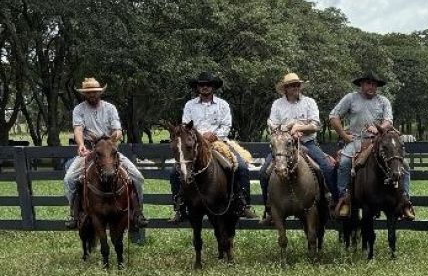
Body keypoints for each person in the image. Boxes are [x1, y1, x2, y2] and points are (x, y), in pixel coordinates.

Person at [168, 72, 256, 222]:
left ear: (213, 87)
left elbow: (227, 125)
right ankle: (180, 206)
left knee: (240, 167)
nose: (205, 87)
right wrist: (200, 137)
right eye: (201, 85)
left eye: (208, 84)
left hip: (218, 142)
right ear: (197, 87)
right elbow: (185, 128)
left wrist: (214, 135)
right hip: (195, 144)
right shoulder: (190, 105)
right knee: (174, 171)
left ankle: (242, 204)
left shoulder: (223, 105)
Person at [63, 77, 148, 230]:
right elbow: (78, 129)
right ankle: (74, 214)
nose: (92, 95)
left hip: (109, 149)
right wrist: (81, 145)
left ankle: (138, 212)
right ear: (84, 94)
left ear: (100, 92)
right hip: (90, 150)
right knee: (69, 179)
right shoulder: (79, 109)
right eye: (89, 93)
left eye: (95, 92)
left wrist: (114, 137)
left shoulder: (110, 108)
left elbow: (117, 129)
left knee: (137, 177)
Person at [259, 73, 337, 225]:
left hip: (307, 143)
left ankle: (332, 202)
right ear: (285, 89)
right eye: (291, 85)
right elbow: (273, 127)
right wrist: (289, 131)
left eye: (297, 85)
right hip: (283, 145)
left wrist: (300, 128)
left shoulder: (309, 102)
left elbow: (316, 125)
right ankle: (269, 208)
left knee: (325, 167)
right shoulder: (277, 104)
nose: (295, 87)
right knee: (263, 172)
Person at [329, 72, 393, 218]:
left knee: (402, 165)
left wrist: (379, 128)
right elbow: (333, 116)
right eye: (369, 83)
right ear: (361, 84)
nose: (372, 86)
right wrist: (344, 136)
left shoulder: (383, 101)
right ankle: (343, 196)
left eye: (374, 84)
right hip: (356, 140)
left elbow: (389, 121)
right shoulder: (351, 98)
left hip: (378, 140)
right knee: (344, 162)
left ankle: (403, 198)